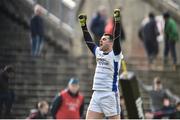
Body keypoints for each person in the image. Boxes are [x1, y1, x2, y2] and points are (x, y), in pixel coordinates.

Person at [78, 9, 123, 119]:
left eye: (104, 39)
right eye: (101, 39)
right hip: (96, 93)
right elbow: (89, 41)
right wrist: (83, 26)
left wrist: (117, 21)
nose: (101, 41)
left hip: (109, 94)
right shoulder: (98, 52)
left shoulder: (115, 54)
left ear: (111, 43)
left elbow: (117, 37)